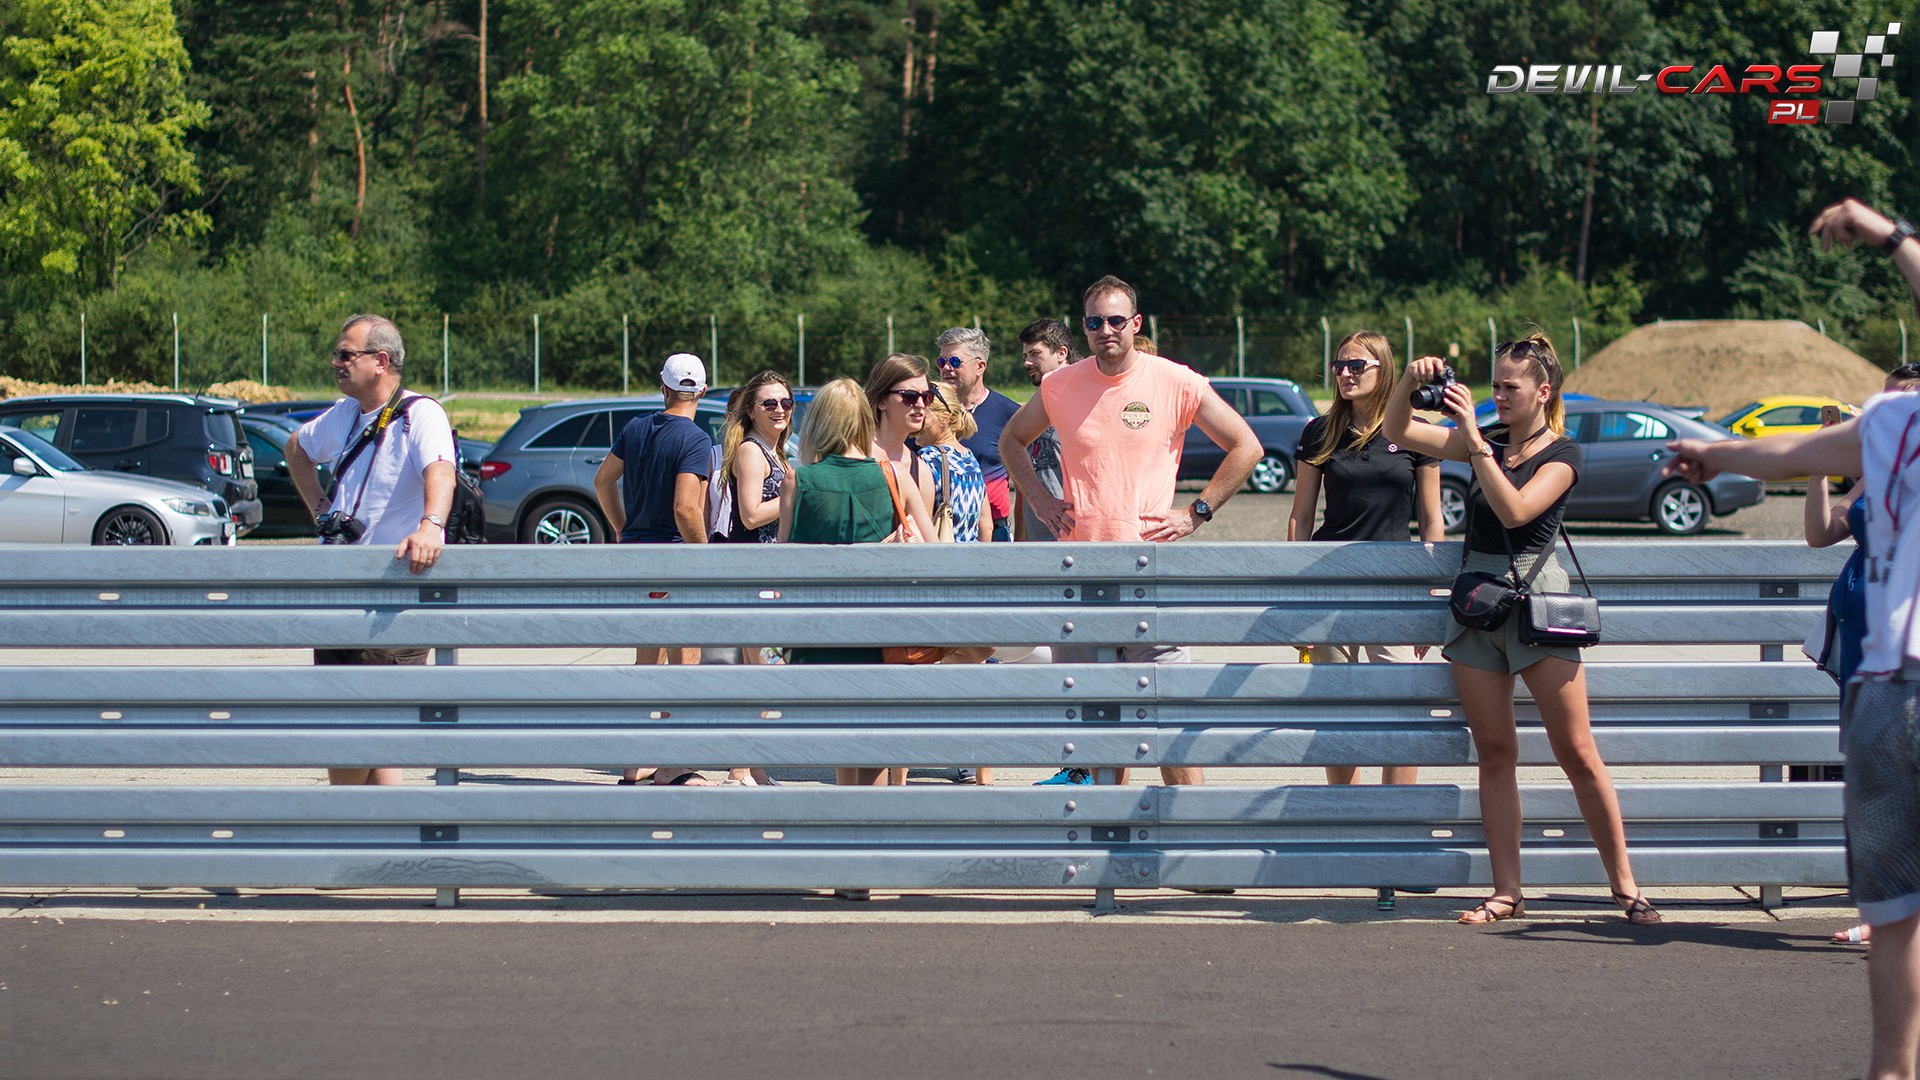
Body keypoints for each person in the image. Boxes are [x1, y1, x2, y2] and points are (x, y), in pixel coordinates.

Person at [1662, 197, 1920, 1080]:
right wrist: (1888, 234)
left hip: (1890, 686)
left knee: (1897, 915)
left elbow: (1788, 454)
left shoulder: (1889, 425)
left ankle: (1892, 1070)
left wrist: (1714, 455)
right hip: (1889, 681)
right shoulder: (1895, 420)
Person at [1382, 333, 1658, 925]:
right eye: (1495, 386)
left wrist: (1475, 441)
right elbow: (1398, 430)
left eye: (1510, 387)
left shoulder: (1563, 453)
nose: (1499, 396)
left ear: (1543, 391)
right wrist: (1408, 381)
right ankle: (1507, 891)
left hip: (1539, 603)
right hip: (1478, 603)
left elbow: (1516, 511)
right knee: (1495, 752)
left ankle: (1626, 887)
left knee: (1577, 751)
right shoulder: (1488, 439)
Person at [1000, 275, 1261, 788]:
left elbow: (1245, 445)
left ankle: (1190, 830)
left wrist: (1196, 512)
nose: (1106, 330)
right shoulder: (1060, 384)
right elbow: (1012, 440)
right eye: (1094, 321)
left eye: (1116, 320)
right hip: (1080, 573)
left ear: (1136, 323)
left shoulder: (1175, 381)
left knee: (1169, 721)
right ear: (1083, 327)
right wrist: (1042, 501)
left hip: (1151, 573)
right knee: (1098, 725)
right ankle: (1106, 833)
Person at [285, 314, 457, 787]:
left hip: (392, 597)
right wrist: (321, 509)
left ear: (380, 361)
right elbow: (297, 448)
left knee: (361, 729)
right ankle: (383, 827)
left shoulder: (422, 414)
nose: (335, 363)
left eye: (346, 354)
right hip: (340, 591)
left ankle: (345, 821)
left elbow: (441, 471)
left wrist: (430, 526)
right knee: (368, 728)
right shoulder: (346, 413)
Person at [1289, 330, 1445, 789]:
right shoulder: (1319, 432)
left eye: (1356, 365)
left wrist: (1432, 595)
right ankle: (1346, 811)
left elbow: (1432, 520)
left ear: (1384, 370)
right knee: (1335, 711)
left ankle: (1396, 813)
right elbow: (1300, 517)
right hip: (1329, 585)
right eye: (1339, 365)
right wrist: (1296, 597)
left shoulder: (1415, 430)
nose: (1344, 373)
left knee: (1403, 709)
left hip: (1395, 589)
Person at [778, 377, 938, 790]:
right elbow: (938, 556)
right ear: (865, 421)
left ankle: (847, 818)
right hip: (881, 636)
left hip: (818, 642)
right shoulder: (895, 476)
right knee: (872, 745)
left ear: (820, 424)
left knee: (844, 744)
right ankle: (870, 820)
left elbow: (782, 567)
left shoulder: (799, 480)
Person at [1807, 364, 1920, 949]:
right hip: (1861, 647)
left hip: (1903, 650)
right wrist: (1821, 465)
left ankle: (1898, 920)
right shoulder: (1877, 470)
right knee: (1874, 786)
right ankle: (1883, 914)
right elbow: (1820, 533)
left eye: (1900, 402)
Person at [593, 353, 714, 786]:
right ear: (702, 391)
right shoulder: (695, 438)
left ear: (662, 387)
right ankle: (675, 764)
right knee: (685, 660)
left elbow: (602, 481)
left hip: (639, 557)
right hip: (676, 557)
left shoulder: (635, 428)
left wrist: (622, 528)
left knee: (647, 659)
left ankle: (637, 761)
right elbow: (686, 508)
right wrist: (704, 557)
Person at [920, 382, 996, 784]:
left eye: (925, 409)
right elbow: (987, 525)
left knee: (923, 668)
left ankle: (903, 759)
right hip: (969, 577)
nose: (917, 415)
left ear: (944, 417)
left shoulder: (926, 460)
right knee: (973, 675)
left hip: (935, 579)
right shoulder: (970, 459)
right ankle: (978, 768)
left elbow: (916, 524)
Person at [935, 327, 1021, 541]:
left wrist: (1022, 538)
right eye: (941, 362)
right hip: (938, 528)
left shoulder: (1009, 414)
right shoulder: (928, 411)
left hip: (994, 532)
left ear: (980, 366)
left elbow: (1023, 485)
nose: (946, 368)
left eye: (955, 362)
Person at [1014, 319, 1076, 543]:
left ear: (1061, 353)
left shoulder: (1083, 400)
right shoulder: (1035, 405)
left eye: (1035, 354)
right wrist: (1021, 538)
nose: (1027, 362)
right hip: (1038, 538)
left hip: (1075, 536)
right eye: (1025, 355)